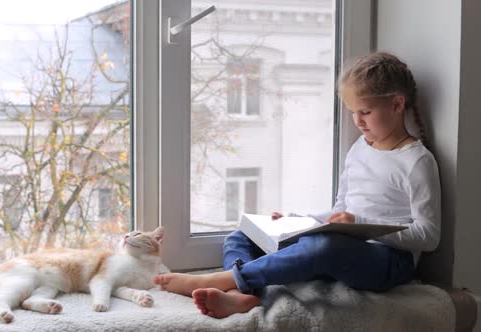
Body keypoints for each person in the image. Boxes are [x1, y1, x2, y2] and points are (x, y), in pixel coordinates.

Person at [154, 52, 441, 319]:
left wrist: (360, 222)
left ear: (397, 103)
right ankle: (240, 295)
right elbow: (341, 209)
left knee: (326, 246)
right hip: (345, 243)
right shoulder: (360, 148)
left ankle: (226, 279)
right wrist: (302, 220)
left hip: (388, 262)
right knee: (242, 236)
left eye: (365, 112)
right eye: (352, 111)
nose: (357, 121)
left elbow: (429, 236)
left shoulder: (416, 161)